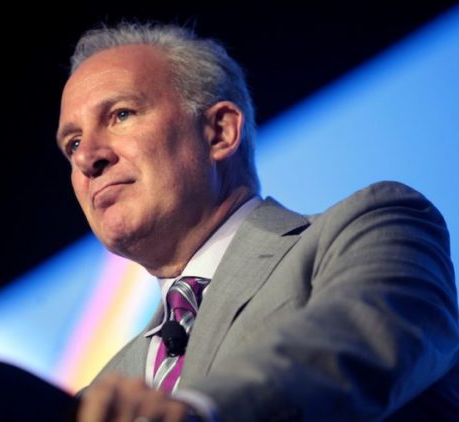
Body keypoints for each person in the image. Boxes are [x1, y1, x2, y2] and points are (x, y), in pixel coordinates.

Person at [56, 22, 459, 421]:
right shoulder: (100, 395)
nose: (87, 158)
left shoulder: (372, 226)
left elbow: (367, 335)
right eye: (72, 144)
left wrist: (196, 412)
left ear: (219, 132)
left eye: (121, 115)